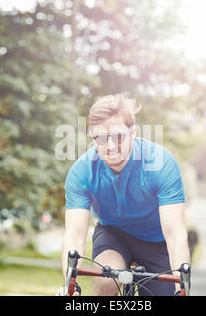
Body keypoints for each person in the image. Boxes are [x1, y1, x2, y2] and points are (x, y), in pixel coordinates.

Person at [57, 94, 190, 296]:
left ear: (132, 132)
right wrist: (70, 287)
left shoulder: (161, 163)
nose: (109, 146)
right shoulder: (81, 171)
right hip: (113, 234)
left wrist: (183, 288)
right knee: (106, 280)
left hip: (157, 240)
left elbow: (175, 233)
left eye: (118, 136)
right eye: (100, 138)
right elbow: (75, 234)